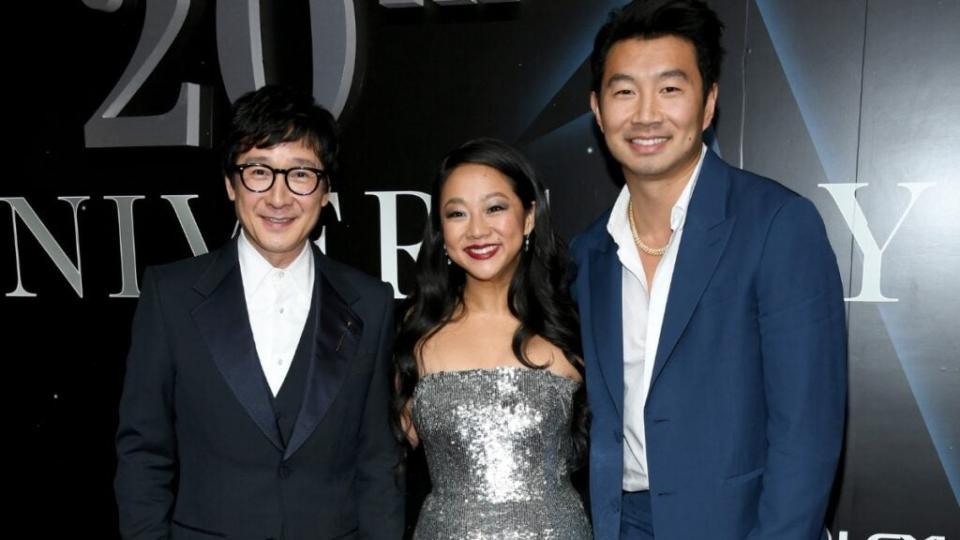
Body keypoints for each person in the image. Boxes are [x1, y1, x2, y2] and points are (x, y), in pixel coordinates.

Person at [572, 1, 848, 539]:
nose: (646, 114)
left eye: (670, 89)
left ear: (708, 103)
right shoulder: (589, 253)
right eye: (624, 91)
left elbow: (806, 434)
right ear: (598, 110)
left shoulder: (777, 226)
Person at [114, 85, 404, 540]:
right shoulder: (170, 295)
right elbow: (144, 453)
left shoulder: (372, 302)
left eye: (301, 174)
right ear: (231, 184)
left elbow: (378, 460)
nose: (278, 197)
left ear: (325, 190)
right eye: (258, 172)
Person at [393, 138, 592, 539]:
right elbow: (383, 462)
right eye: (457, 214)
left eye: (495, 208)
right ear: (440, 230)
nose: (477, 230)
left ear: (529, 217)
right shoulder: (414, 333)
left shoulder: (576, 325)